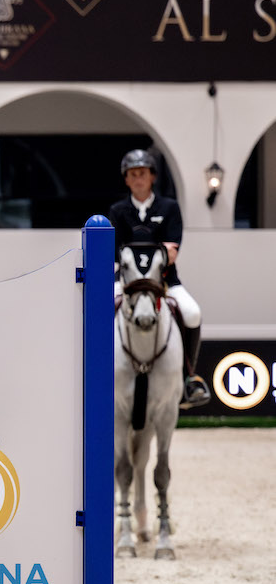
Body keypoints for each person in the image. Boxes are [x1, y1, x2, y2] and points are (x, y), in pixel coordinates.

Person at [107, 149, 208, 408]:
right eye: (132, 174)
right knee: (99, 310)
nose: (138, 178)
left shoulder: (169, 208)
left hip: (164, 282)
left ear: (152, 176)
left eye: (142, 173)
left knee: (192, 312)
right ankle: (96, 374)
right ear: (126, 180)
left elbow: (171, 252)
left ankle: (189, 378)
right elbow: (114, 252)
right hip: (127, 282)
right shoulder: (118, 211)